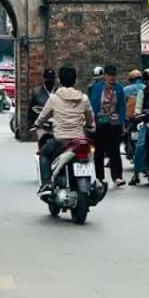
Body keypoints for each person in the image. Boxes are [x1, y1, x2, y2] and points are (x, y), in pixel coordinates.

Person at [35, 66, 96, 199]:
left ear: (59, 80)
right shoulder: (84, 98)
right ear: (75, 80)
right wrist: (90, 125)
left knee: (43, 154)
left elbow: (43, 116)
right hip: (79, 140)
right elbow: (90, 117)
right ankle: (93, 183)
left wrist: (37, 124)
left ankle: (46, 183)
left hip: (60, 141)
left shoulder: (54, 98)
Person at [89, 64, 126, 186]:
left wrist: (122, 123)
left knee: (115, 150)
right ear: (104, 75)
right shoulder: (97, 88)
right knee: (99, 150)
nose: (111, 77)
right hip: (100, 123)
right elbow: (92, 106)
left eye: (113, 75)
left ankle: (117, 176)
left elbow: (121, 107)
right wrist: (91, 122)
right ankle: (100, 177)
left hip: (114, 123)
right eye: (109, 75)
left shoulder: (119, 88)